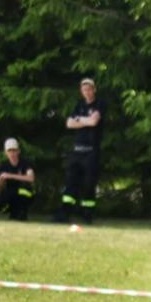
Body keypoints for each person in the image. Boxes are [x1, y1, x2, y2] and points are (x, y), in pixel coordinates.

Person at [53, 78, 106, 224]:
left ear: (94, 89)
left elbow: (94, 121)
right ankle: (64, 213)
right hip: (77, 150)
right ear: (81, 91)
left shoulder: (100, 104)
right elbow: (69, 124)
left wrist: (79, 120)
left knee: (89, 183)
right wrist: (85, 120)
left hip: (91, 151)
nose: (87, 92)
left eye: (89, 89)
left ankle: (87, 213)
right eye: (84, 90)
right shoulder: (79, 105)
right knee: (70, 182)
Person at [0, 138, 36, 221]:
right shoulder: (3, 166)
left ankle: (21, 212)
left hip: (25, 193)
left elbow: (31, 178)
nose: (12, 153)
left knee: (21, 194)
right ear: (6, 153)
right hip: (10, 193)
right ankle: (12, 211)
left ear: (18, 151)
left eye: (14, 150)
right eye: (9, 151)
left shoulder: (25, 163)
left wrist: (10, 176)